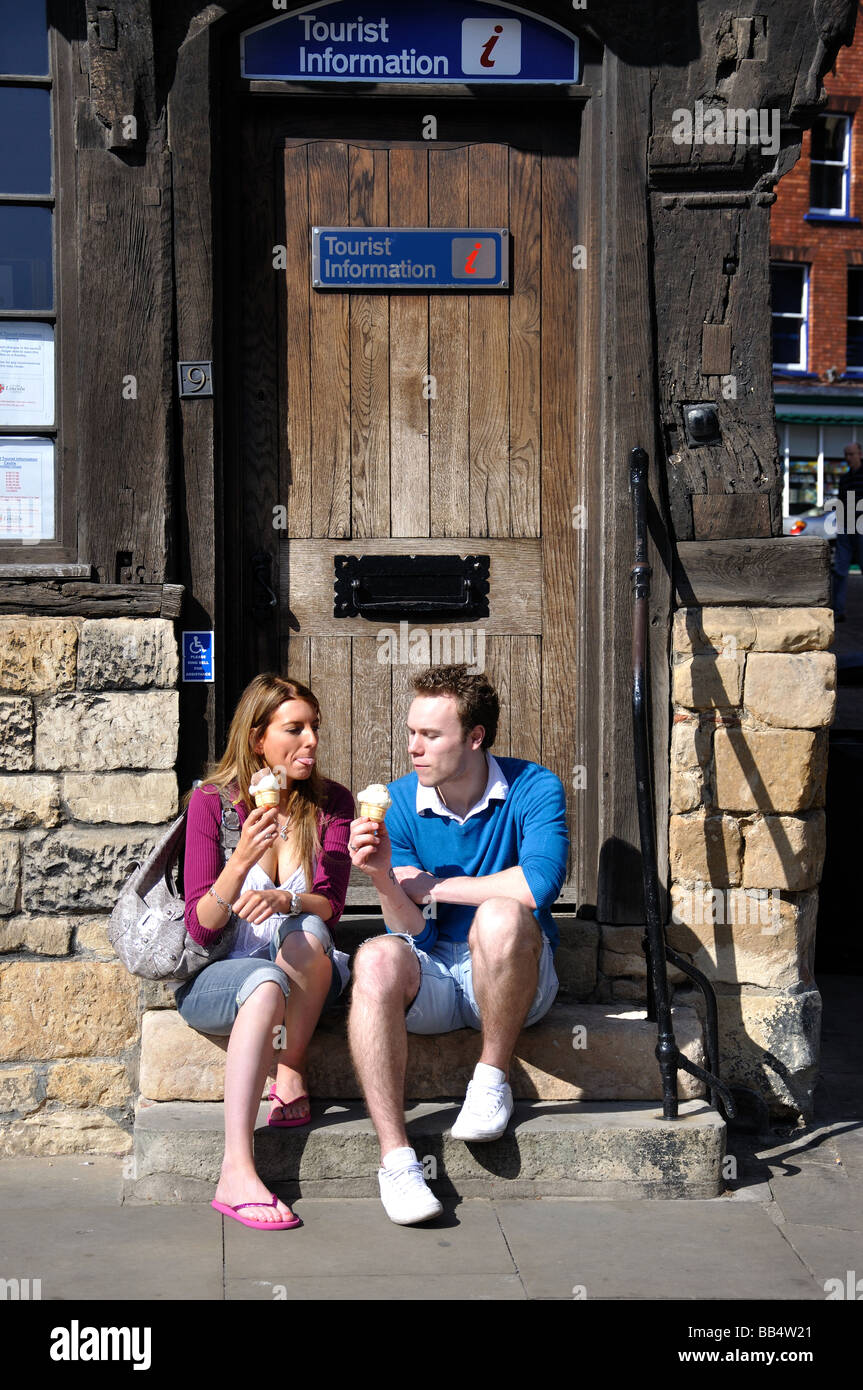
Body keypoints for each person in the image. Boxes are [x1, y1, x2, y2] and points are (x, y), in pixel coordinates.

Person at [347, 664, 569, 1225]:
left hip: (513, 976)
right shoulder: (398, 802)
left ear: (475, 737)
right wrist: (380, 877)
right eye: (411, 732)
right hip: (436, 979)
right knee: (374, 956)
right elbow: (415, 930)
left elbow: (535, 886)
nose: (414, 748)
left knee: (501, 915)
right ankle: (397, 1161)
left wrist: (434, 887)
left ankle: (491, 1078)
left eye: (432, 735)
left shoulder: (533, 786)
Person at [176, 674, 353, 1229]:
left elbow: (332, 907)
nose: (311, 742)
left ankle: (291, 1065)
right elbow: (201, 931)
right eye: (294, 729)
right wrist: (239, 861)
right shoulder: (211, 803)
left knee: (306, 932)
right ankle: (236, 1170)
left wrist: (287, 897)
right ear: (257, 739)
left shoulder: (332, 803)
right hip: (218, 979)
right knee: (262, 981)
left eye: (315, 729)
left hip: (302, 965)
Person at [832, 441, 863, 621]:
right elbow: (841, 502)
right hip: (846, 526)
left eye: (851, 454)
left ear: (860, 454)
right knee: (840, 570)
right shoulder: (845, 479)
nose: (848, 458)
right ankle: (838, 610)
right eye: (846, 454)